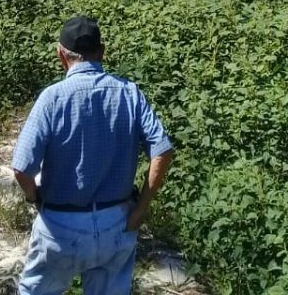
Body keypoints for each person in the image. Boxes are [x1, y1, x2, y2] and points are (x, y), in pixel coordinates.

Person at [11, 15, 174, 295]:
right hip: (118, 223)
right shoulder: (130, 93)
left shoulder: (52, 98)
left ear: (61, 54)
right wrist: (140, 210)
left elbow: (21, 169)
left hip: (61, 226)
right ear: (102, 51)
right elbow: (163, 151)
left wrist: (34, 198)